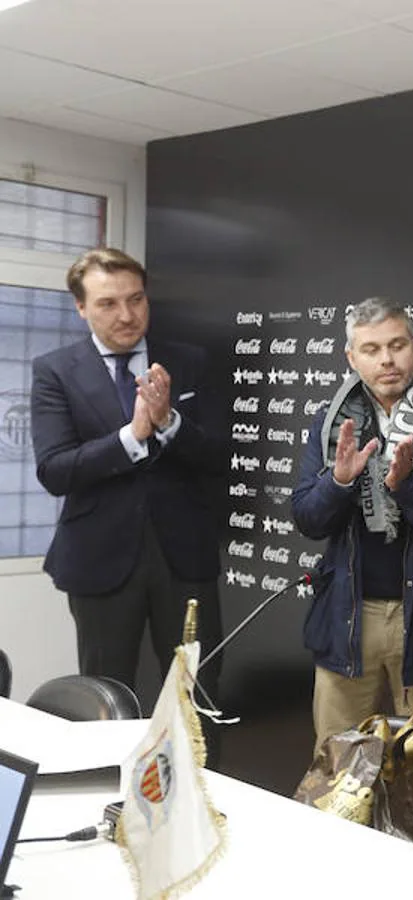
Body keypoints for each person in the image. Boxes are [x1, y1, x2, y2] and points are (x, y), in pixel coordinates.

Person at [31, 248, 226, 711]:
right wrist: (133, 435)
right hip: (99, 561)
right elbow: (55, 470)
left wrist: (170, 423)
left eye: (136, 300)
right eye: (108, 304)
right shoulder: (55, 370)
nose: (127, 315)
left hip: (185, 559)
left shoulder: (190, 360)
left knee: (197, 695)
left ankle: (199, 784)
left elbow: (218, 455)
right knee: (105, 695)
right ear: (81, 307)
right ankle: (115, 786)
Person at [292, 296, 413, 749]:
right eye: (371, 349)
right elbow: (308, 519)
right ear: (352, 358)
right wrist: (338, 481)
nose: (387, 360)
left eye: (396, 345)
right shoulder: (331, 424)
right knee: (339, 766)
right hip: (347, 618)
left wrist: (408, 485)